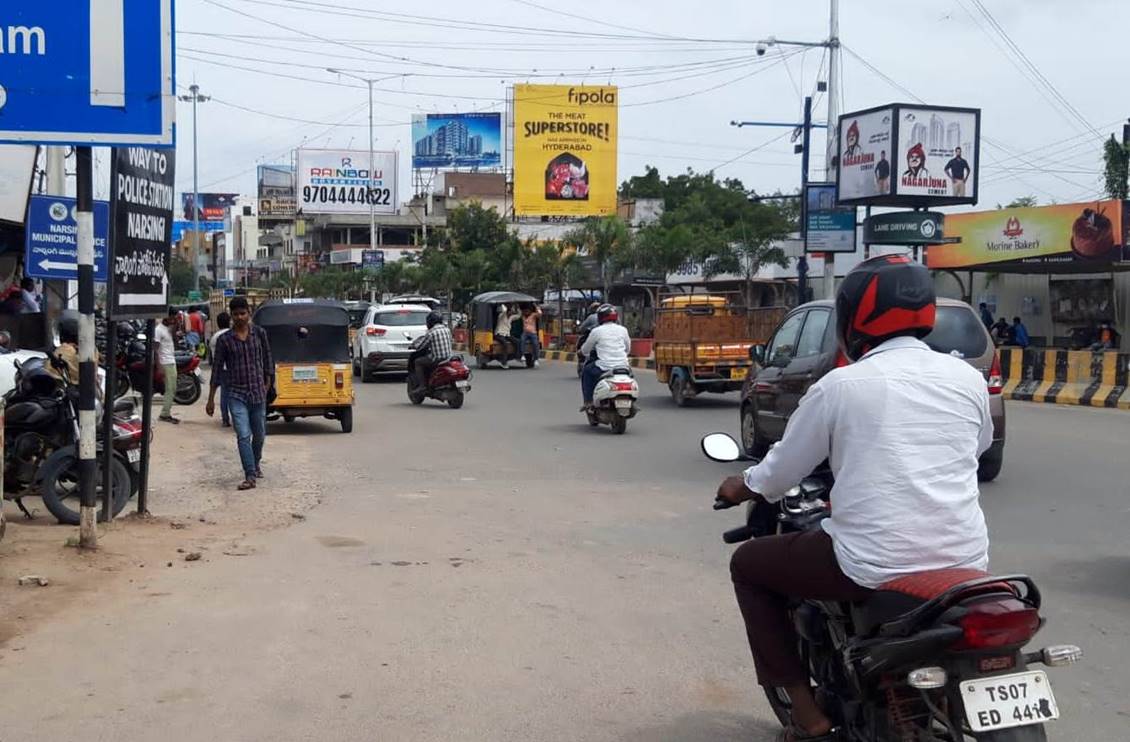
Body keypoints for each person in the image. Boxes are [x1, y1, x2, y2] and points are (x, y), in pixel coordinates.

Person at [716, 255, 992, 741]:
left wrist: (742, 484)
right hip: (965, 561)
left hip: (872, 565)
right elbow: (979, 446)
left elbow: (780, 472)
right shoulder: (967, 378)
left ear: (854, 317)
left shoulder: (841, 386)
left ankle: (810, 719)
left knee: (749, 566)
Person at [206, 297, 274, 491]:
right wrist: (211, 399)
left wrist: (268, 383)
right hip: (236, 394)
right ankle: (250, 475)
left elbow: (268, 359)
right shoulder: (225, 340)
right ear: (231, 316)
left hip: (258, 393)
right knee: (243, 435)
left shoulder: (259, 334)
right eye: (235, 314)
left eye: (242, 313)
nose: (239, 317)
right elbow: (217, 369)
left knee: (259, 435)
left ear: (249, 313)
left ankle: (255, 462)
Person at [579, 304, 631, 411]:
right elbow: (628, 349)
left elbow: (585, 350)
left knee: (587, 371)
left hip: (604, 366)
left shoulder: (596, 331)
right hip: (623, 366)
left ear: (600, 317)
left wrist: (582, 352)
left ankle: (588, 401)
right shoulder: (623, 330)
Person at [410, 311, 454, 389]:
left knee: (418, 362)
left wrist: (413, 346)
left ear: (430, 322)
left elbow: (421, 346)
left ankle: (422, 385)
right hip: (448, 358)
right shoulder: (447, 330)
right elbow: (450, 341)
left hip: (437, 359)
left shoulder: (431, 332)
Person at [154, 308, 180, 424]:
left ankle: (166, 412)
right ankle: (165, 414)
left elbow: (176, 343)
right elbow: (155, 349)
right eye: (173, 317)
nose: (174, 320)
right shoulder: (158, 330)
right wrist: (158, 365)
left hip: (171, 360)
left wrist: (175, 328)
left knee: (172, 388)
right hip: (165, 362)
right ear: (167, 316)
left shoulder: (168, 329)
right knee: (170, 388)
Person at [210, 312, 232, 427]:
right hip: (233, 368)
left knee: (224, 394)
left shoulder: (214, 337)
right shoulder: (231, 335)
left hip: (221, 369)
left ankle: (225, 418)